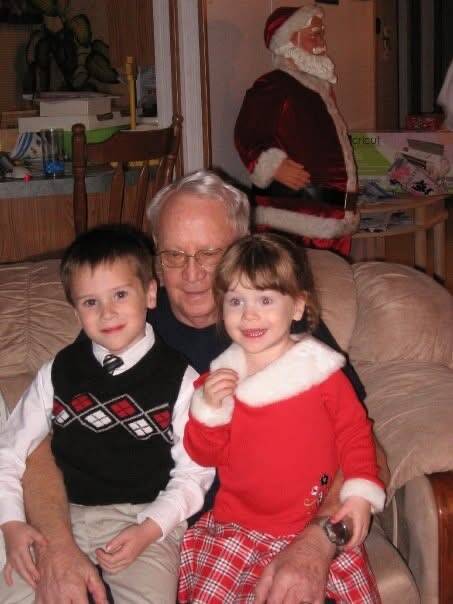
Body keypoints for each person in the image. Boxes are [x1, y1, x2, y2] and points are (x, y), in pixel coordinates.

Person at [17, 171, 388, 604]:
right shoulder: (123, 323)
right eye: (174, 255)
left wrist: (318, 541)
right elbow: (39, 440)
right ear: (156, 260)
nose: (192, 273)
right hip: (170, 537)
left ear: (243, 247)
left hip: (293, 527)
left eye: (210, 253)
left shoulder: (284, 328)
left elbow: (364, 443)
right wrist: (58, 547)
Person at [0, 224, 214, 604]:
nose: (107, 312)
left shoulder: (181, 379)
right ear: (75, 310)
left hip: (141, 520)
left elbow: (195, 473)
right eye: (90, 302)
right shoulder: (58, 371)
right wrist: (12, 521)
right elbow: (10, 448)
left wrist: (151, 528)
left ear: (150, 293)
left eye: (120, 294)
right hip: (61, 517)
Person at [178, 233, 385, 603]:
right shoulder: (219, 381)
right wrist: (208, 410)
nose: (249, 314)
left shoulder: (322, 373)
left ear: (297, 307)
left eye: (266, 299)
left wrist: (359, 493)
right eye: (236, 301)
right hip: (236, 528)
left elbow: (355, 434)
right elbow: (205, 455)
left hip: (310, 527)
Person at [234, 3, 359, 255]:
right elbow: (248, 133)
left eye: (322, 34)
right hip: (295, 217)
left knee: (334, 275)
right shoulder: (275, 85)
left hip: (331, 215)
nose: (322, 43)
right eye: (315, 35)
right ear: (288, 40)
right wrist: (273, 165)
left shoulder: (319, 89)